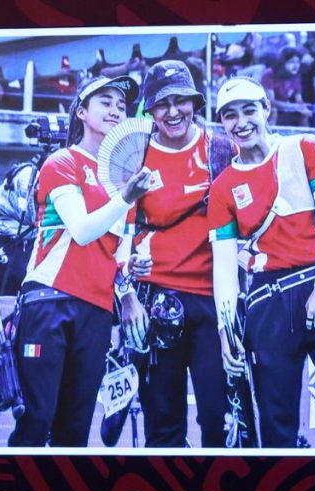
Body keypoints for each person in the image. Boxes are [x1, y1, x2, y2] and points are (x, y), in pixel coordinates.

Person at [206, 76, 315, 448]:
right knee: (276, 432)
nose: (241, 122)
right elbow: (224, 270)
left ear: (267, 109)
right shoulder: (222, 188)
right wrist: (225, 332)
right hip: (269, 304)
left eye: (249, 110)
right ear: (221, 122)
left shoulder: (305, 147)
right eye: (230, 115)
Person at [8, 75, 151, 446]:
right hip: (49, 300)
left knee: (75, 430)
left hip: (97, 312)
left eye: (121, 105)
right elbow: (83, 230)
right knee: (37, 419)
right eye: (105, 102)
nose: (115, 110)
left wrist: (130, 283)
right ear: (82, 112)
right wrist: (125, 197)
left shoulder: (125, 180)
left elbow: (119, 258)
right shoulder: (63, 161)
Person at [119, 60, 229, 447]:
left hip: (214, 303)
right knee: (163, 428)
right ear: (149, 110)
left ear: (195, 103)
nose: (173, 112)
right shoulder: (136, 155)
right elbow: (119, 233)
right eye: (162, 103)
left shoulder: (220, 149)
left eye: (181, 100)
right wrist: (126, 293)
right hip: (156, 303)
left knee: (219, 418)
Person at [259, 46, 311, 127]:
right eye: (291, 62)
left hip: (285, 106)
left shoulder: (296, 76)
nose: (296, 66)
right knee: (273, 110)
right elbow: (270, 101)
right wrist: (293, 106)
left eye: (298, 62)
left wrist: (302, 106)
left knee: (305, 113)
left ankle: (305, 134)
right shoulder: (269, 74)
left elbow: (299, 99)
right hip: (265, 107)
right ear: (282, 63)